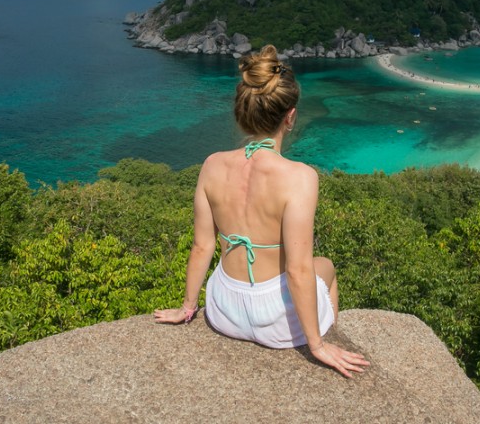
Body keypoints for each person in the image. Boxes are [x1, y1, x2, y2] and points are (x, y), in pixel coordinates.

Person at [154, 45, 369, 378]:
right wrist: (317, 347)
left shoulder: (211, 165)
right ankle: (326, 335)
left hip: (223, 309)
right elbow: (298, 271)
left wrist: (187, 307)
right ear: (291, 116)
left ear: (242, 114)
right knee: (325, 267)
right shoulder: (300, 178)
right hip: (277, 322)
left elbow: (202, 247)